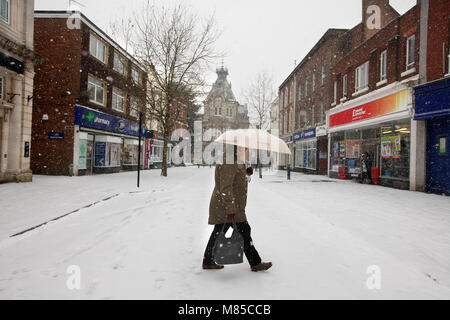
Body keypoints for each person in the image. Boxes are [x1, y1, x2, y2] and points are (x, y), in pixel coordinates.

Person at [202, 145, 272, 272]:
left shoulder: (236, 160)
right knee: (243, 231)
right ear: (235, 148)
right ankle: (255, 262)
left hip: (233, 205)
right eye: (243, 148)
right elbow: (226, 187)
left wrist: (246, 173)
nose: (245, 150)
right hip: (227, 205)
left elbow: (236, 180)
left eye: (246, 148)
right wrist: (230, 208)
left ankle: (208, 260)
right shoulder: (229, 162)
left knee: (220, 232)